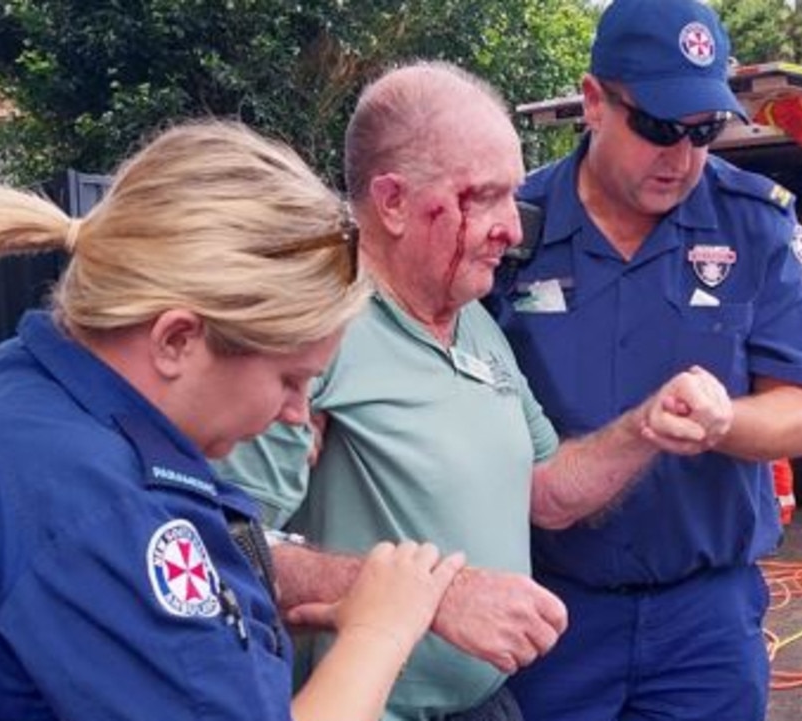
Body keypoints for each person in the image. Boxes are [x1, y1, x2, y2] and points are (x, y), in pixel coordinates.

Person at [219, 61, 735, 721]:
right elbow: (229, 548)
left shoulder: (475, 323)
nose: (514, 229)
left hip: (489, 702)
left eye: (511, 196)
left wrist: (646, 427)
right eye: (484, 197)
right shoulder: (315, 331)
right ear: (393, 201)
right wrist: (436, 597)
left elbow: (545, 489)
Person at [0, 120, 464, 721]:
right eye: (289, 379)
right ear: (177, 339)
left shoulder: (25, 387)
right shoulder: (115, 518)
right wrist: (381, 630)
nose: (298, 414)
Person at [486, 1, 802, 719]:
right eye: (656, 128)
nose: (680, 158)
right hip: (549, 610)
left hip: (701, 622)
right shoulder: (514, 229)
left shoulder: (754, 222)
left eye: (703, 132)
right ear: (594, 102)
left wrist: (722, 422)